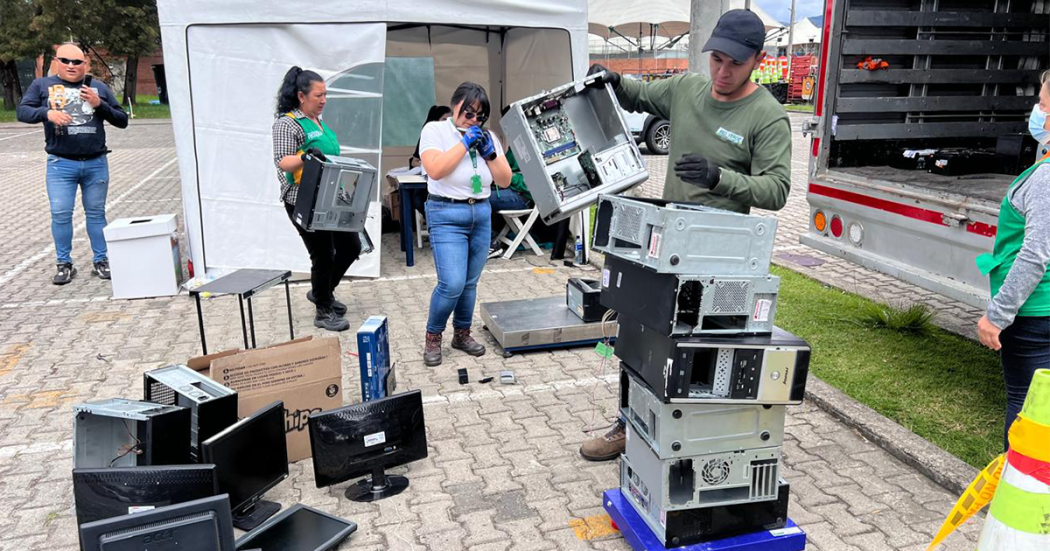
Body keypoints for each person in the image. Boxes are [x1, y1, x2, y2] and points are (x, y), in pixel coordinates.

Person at [579, 9, 792, 461]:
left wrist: (721, 179)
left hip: (722, 259)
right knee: (640, 336)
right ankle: (628, 425)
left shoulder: (767, 116)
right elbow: (639, 95)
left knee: (706, 353)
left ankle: (702, 438)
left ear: (758, 59)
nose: (722, 71)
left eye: (734, 62)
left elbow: (777, 190)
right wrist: (613, 80)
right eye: (716, 58)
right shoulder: (687, 88)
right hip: (666, 247)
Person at [975, 69, 1050, 450]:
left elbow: (1035, 254)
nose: (1036, 110)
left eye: (1041, 102)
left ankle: (1019, 498)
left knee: (1026, 406)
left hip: (1035, 314)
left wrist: (998, 315)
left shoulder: (1046, 178)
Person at [17, 43, 129, 285]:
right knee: (60, 214)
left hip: (95, 163)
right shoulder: (42, 85)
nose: (71, 65)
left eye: (77, 62)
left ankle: (101, 260)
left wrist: (100, 105)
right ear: (56, 61)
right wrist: (46, 113)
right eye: (65, 60)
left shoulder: (97, 86)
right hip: (61, 163)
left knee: (96, 214)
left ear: (85, 64)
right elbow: (22, 111)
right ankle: (64, 263)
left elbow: (122, 120)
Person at [418, 82, 512, 366]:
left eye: (479, 116)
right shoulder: (435, 131)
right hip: (446, 212)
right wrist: (464, 143)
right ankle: (433, 337)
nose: (473, 120)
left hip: (480, 212)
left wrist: (490, 153)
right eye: (468, 113)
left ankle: (462, 333)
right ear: (455, 104)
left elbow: (504, 180)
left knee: (470, 283)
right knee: (452, 283)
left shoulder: (488, 136)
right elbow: (435, 170)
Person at [272, 66, 361, 332]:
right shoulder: (287, 123)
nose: (323, 100)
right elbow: (283, 161)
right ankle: (323, 311)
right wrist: (305, 156)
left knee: (351, 247)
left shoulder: (320, 122)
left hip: (330, 197)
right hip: (303, 199)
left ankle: (322, 291)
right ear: (301, 96)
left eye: (325, 95)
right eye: (318, 95)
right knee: (323, 255)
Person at [486, 147, 534, 259]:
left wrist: (508, 177)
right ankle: (487, 241)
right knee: (476, 195)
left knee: (481, 199)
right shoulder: (515, 147)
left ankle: (491, 243)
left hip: (523, 197)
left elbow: (529, 185)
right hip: (511, 190)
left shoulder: (533, 151)